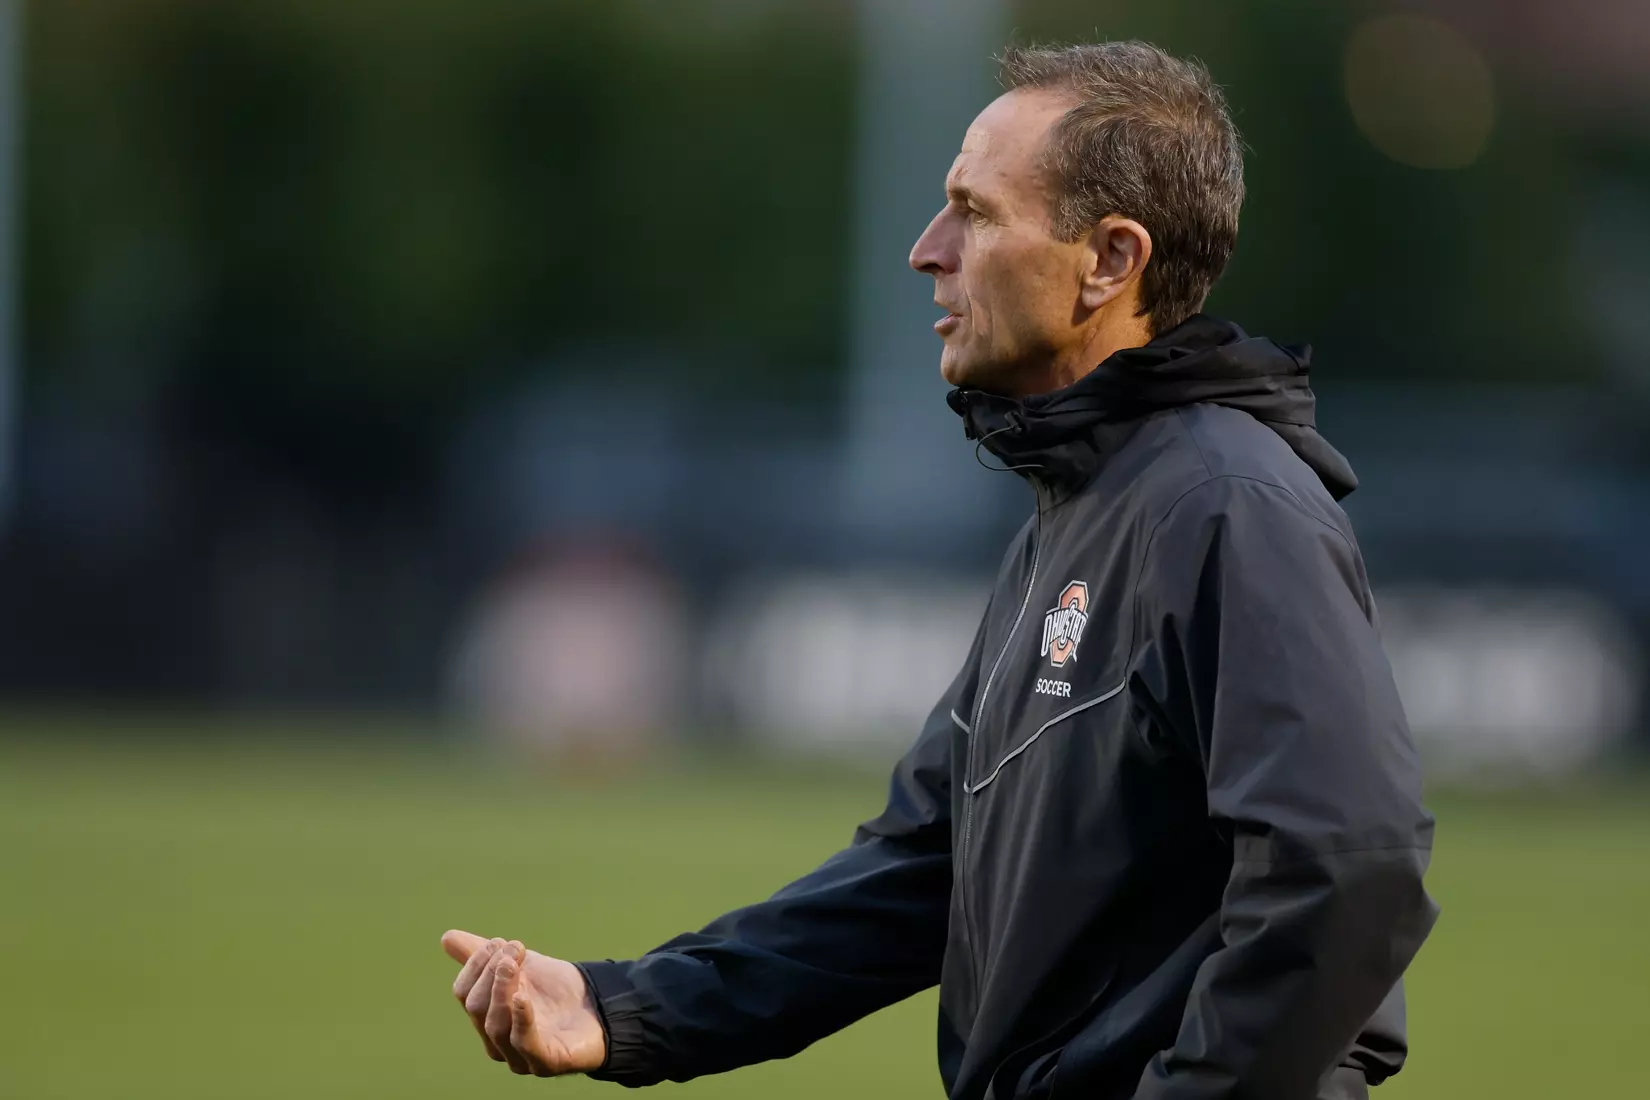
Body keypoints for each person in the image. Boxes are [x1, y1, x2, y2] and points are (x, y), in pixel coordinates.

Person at [440, 40, 1437, 1100]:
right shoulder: (1083, 509)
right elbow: (925, 872)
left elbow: (1349, 864)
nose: (927, 249)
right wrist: (623, 1005)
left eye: (977, 211)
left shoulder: (1225, 506)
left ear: (1110, 259)